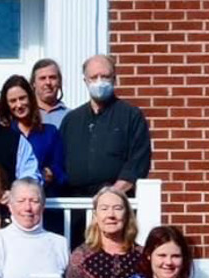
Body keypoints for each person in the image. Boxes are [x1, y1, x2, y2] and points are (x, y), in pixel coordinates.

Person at [59, 54, 152, 199]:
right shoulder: (71, 120)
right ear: (85, 81)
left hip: (117, 205)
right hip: (76, 206)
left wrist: (111, 194)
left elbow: (137, 164)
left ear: (114, 79)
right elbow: (59, 163)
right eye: (94, 77)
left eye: (105, 76)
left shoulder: (131, 116)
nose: (99, 82)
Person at [1, 75, 66, 190]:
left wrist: (51, 173)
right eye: (13, 101)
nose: (19, 105)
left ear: (31, 98)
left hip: (45, 199)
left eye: (22, 98)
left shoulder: (50, 132)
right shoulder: (3, 134)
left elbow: (61, 170)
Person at [32, 57, 69, 127]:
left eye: (52, 77)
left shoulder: (71, 116)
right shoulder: (24, 115)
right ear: (34, 83)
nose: (48, 82)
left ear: (59, 82)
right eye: (42, 78)